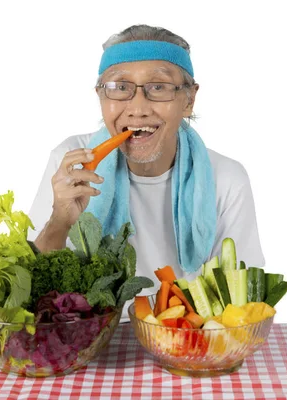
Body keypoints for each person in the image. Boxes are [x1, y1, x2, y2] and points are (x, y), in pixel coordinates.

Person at [27, 24, 265, 300]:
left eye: (158, 87)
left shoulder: (226, 177)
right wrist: (59, 220)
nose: (138, 108)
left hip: (188, 333)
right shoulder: (71, 163)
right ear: (101, 98)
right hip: (94, 332)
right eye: (120, 87)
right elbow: (31, 286)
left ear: (189, 100)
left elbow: (243, 295)